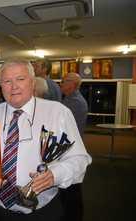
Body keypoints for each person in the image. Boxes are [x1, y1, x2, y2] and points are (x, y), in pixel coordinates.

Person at [0, 59, 91, 221]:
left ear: (32, 83)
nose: (14, 86)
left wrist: (55, 174)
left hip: (43, 211)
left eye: (20, 79)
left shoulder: (58, 113)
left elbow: (79, 159)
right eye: (7, 81)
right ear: (0, 85)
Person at [59, 73, 88, 221]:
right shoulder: (70, 99)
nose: (60, 84)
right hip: (70, 147)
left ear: (72, 84)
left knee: (72, 186)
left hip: (71, 149)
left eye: (63, 82)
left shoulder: (74, 102)